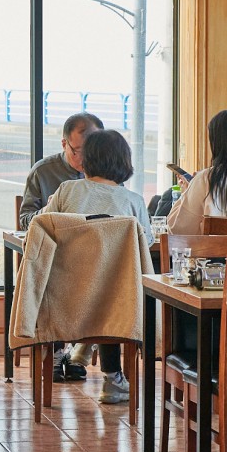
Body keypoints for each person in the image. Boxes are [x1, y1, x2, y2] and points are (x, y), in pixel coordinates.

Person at [42, 129, 154, 404]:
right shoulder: (133, 201)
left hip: (65, 300)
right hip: (114, 305)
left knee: (97, 287)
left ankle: (78, 348)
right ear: (124, 161)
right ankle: (113, 379)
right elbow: (146, 243)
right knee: (113, 290)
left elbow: (42, 227)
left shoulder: (66, 191)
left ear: (87, 159)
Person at [19, 112, 104, 382]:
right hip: (56, 258)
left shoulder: (107, 170)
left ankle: (87, 348)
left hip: (96, 257)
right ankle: (59, 352)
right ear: (64, 144)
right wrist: (51, 210)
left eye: (92, 150)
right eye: (78, 151)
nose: (85, 159)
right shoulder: (44, 172)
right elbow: (25, 220)